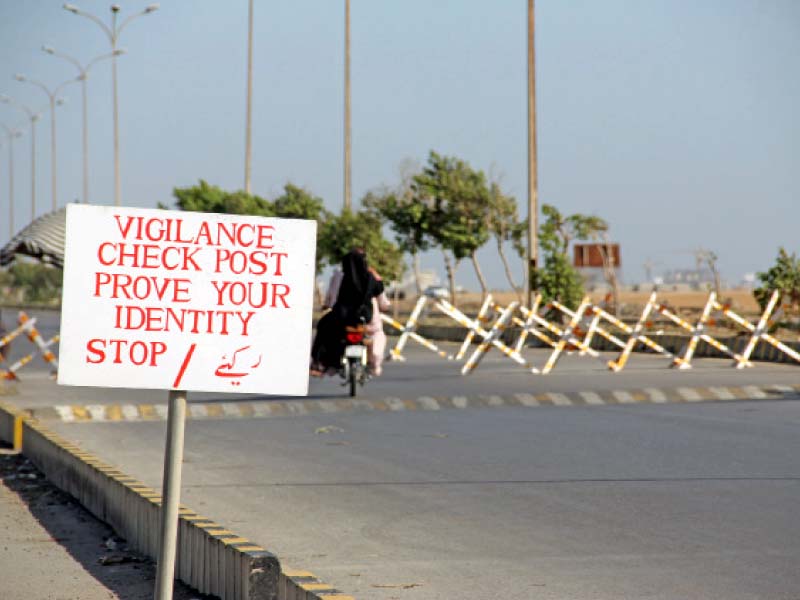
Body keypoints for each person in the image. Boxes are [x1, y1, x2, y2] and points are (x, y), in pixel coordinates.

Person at [310, 249, 384, 375]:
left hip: (343, 316)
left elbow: (333, 297)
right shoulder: (368, 277)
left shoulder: (343, 277)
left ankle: (319, 362)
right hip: (364, 315)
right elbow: (379, 290)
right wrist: (376, 277)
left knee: (323, 326)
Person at [365, 269, 390, 376]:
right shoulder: (374, 283)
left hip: (349, 323)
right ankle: (375, 365)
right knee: (378, 337)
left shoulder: (344, 280)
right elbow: (384, 304)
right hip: (372, 325)